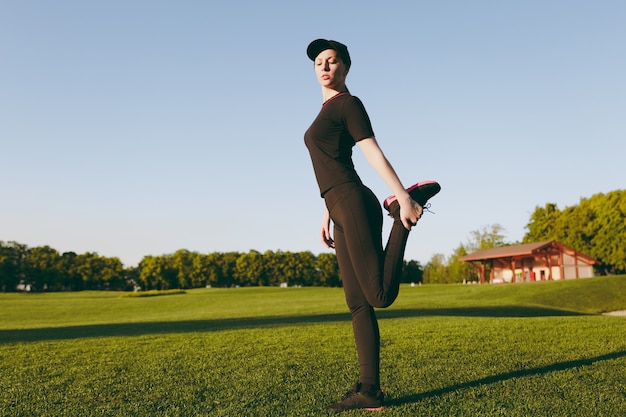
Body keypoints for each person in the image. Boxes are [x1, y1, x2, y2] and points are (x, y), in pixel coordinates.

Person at [303, 39, 441, 412]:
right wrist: (327, 211)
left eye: (332, 60)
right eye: (319, 62)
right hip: (340, 203)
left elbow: (370, 149)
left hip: (355, 201)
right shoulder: (325, 112)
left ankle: (402, 214)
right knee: (357, 304)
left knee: (378, 296)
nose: (325, 66)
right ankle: (370, 391)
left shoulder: (349, 104)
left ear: (345, 67)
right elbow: (335, 162)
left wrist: (402, 194)